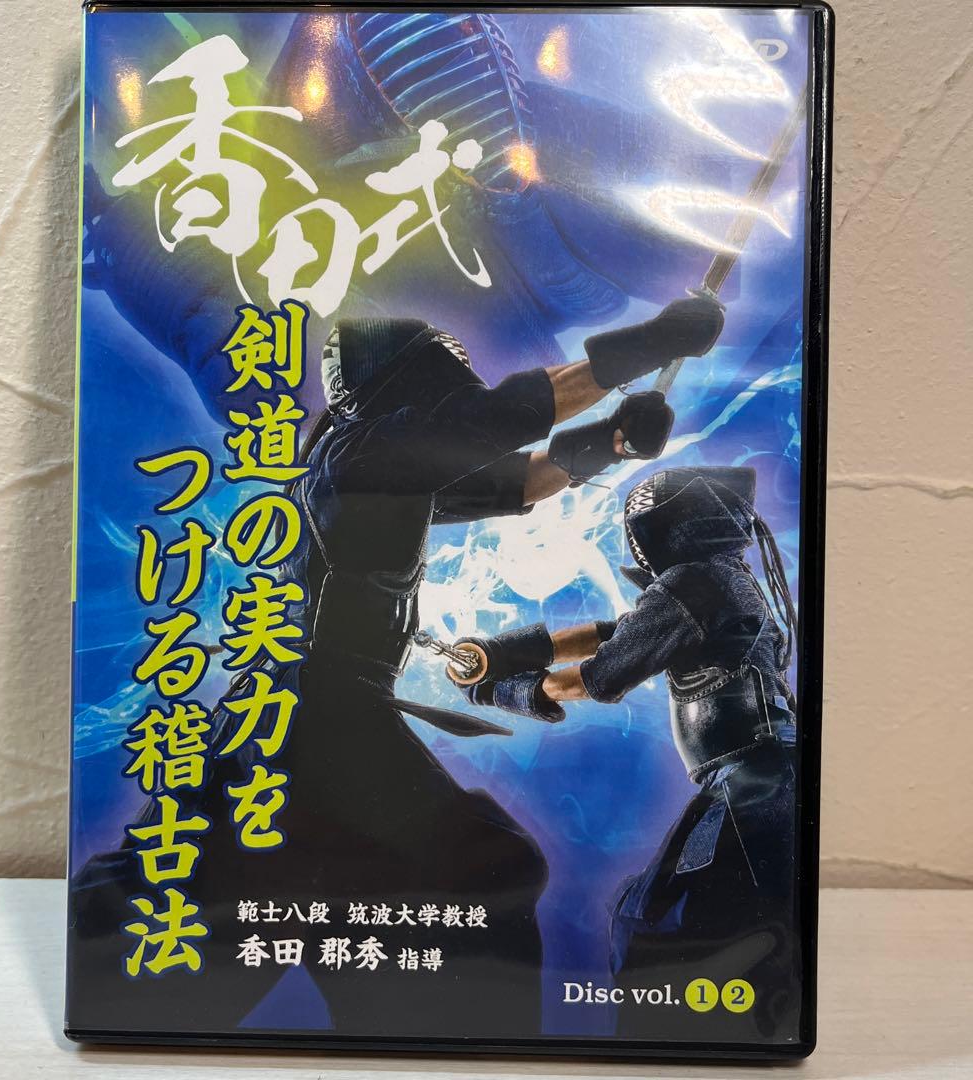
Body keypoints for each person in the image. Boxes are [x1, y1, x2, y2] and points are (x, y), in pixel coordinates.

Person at [68, 302, 724, 1039]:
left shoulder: (365, 463)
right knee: (480, 873)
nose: (454, 397)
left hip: (294, 713)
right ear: (398, 385)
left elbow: (515, 481)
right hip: (322, 713)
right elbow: (502, 417)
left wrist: (610, 440)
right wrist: (653, 342)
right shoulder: (365, 452)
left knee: (223, 871)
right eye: (438, 385)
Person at [455, 466, 800, 1039]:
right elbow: (622, 631)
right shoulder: (720, 579)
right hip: (758, 780)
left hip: (753, 786)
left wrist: (498, 691)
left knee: (656, 923)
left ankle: (682, 1045)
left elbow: (596, 676)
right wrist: (502, 652)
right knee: (704, 922)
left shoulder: (695, 583)